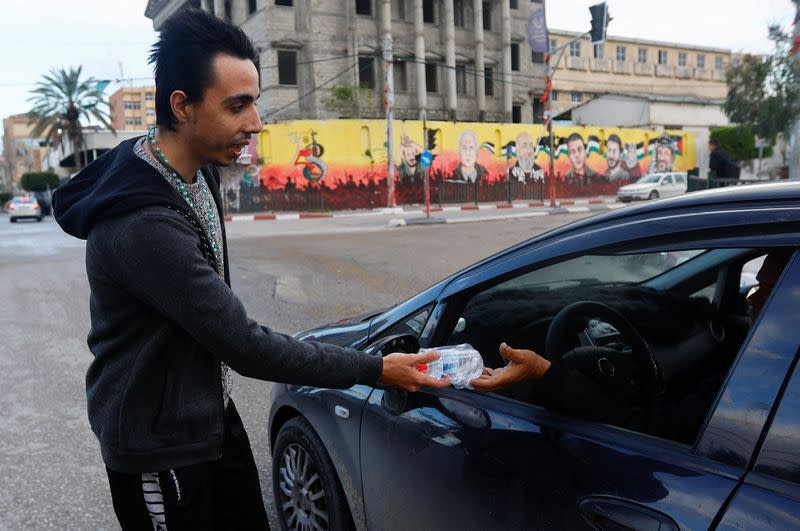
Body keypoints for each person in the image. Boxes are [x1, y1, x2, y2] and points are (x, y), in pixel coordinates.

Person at [52, 9, 449, 530]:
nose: (255, 122)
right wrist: (376, 369)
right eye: (237, 105)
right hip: (158, 445)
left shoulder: (194, 169)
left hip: (208, 414)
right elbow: (244, 344)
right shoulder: (143, 224)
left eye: (255, 101)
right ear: (182, 106)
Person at [472, 249, 795, 393]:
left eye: (770, 291)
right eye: (756, 286)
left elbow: (646, 422)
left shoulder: (763, 387)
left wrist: (544, 372)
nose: (751, 299)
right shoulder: (773, 368)